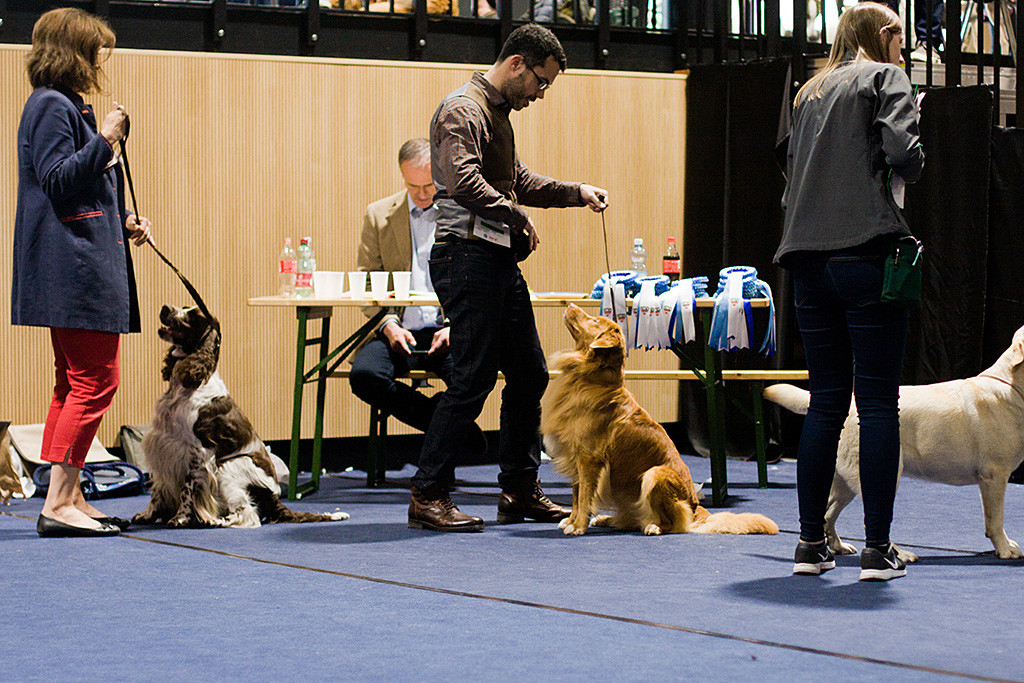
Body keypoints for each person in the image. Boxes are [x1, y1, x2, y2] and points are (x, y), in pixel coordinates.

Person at [409, 23, 609, 532]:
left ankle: (519, 487)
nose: (540, 93)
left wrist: (575, 192)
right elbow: (462, 180)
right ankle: (427, 494)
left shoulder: (494, 113)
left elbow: (516, 181)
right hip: (465, 257)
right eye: (541, 81)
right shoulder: (463, 108)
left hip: (493, 260)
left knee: (530, 374)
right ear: (517, 63)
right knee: (473, 377)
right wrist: (516, 215)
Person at [776, 2, 924, 580]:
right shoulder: (887, 78)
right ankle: (877, 549)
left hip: (806, 260)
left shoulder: (807, 92)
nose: (904, 52)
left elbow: (788, 172)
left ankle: (810, 544)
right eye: (902, 41)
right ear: (884, 34)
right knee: (879, 403)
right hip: (866, 252)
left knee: (826, 402)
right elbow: (906, 157)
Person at [12, 8, 153, 537]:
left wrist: (122, 217)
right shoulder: (52, 105)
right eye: (95, 51)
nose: (100, 61)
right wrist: (106, 138)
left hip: (74, 260)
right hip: (73, 267)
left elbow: (78, 189)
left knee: (71, 383)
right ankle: (57, 502)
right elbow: (56, 179)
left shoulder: (62, 104)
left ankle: (69, 495)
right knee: (96, 380)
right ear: (72, 52)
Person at [350, 139, 485, 455]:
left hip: (447, 331)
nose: (422, 194)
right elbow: (368, 279)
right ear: (402, 176)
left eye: (428, 186)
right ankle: (442, 422)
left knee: (474, 378)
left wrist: (454, 325)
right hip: (396, 329)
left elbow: (476, 279)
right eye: (413, 186)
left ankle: (444, 429)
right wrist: (388, 325)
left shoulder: (461, 213)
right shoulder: (379, 215)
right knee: (365, 376)